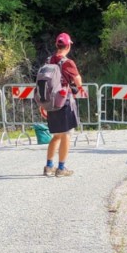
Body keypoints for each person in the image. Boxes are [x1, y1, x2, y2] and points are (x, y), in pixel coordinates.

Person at [38, 32, 85, 177]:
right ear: (69, 45)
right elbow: (78, 82)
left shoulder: (48, 60)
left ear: (56, 45)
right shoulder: (67, 63)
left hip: (50, 102)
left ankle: (49, 166)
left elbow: (44, 84)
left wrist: (42, 104)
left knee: (56, 135)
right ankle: (61, 168)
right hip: (64, 101)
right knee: (66, 135)